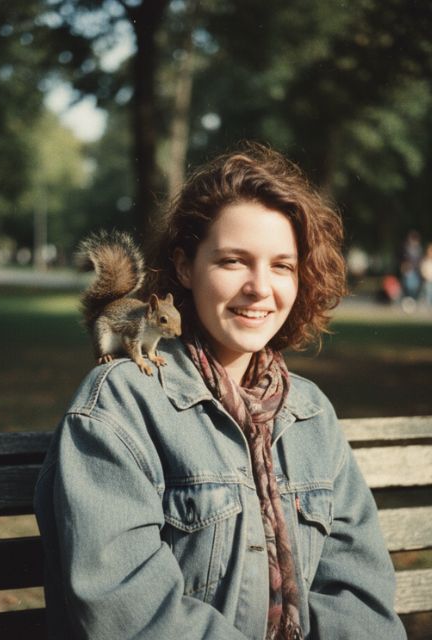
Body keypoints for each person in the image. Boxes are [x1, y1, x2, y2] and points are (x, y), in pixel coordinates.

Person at [34, 143, 406, 640]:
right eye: (233, 261)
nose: (260, 287)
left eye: (282, 266)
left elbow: (360, 598)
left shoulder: (311, 414)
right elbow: (129, 610)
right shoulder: (121, 406)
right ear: (186, 268)